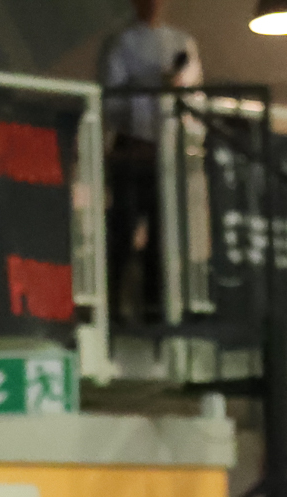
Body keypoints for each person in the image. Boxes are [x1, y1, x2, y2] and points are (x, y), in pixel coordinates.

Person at [98, 0, 201, 325]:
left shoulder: (182, 42)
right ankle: (115, 311)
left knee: (163, 234)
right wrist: (147, 87)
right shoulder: (122, 43)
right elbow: (111, 101)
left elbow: (195, 98)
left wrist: (176, 87)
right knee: (123, 230)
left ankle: (157, 310)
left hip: (167, 152)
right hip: (132, 148)